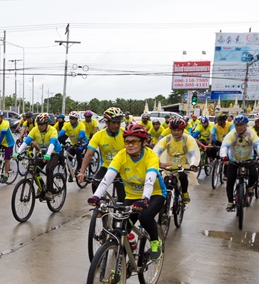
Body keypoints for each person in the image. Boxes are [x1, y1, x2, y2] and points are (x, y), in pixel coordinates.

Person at [87, 122, 166, 260]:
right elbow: (107, 178)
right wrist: (96, 196)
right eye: (127, 141)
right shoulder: (121, 155)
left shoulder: (151, 156)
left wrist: (145, 199)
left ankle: (155, 242)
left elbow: (149, 180)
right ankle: (128, 251)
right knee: (120, 228)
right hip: (131, 196)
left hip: (154, 194)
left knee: (144, 216)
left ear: (144, 142)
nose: (129, 145)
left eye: (134, 141)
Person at [220, 114, 259, 212]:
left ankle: (250, 187)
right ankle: (230, 202)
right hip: (234, 160)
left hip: (248, 159)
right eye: (237, 125)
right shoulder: (232, 134)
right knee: (230, 181)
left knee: (254, 174)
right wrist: (224, 157)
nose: (239, 127)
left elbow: (258, 145)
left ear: (245, 125)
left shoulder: (251, 133)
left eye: (241, 125)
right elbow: (224, 146)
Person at [153, 116, 200, 203]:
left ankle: (185, 193)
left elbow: (192, 154)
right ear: (171, 130)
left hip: (183, 166)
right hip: (169, 167)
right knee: (165, 182)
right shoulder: (167, 139)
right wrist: (155, 161)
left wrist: (193, 164)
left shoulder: (187, 139)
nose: (176, 132)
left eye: (178, 130)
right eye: (174, 130)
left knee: (183, 176)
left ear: (183, 130)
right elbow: (157, 151)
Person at [78, 107, 125, 191]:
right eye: (114, 122)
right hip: (107, 166)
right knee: (95, 185)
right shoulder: (98, 135)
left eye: (118, 122)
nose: (117, 125)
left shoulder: (125, 133)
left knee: (122, 192)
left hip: (123, 167)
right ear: (107, 122)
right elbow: (89, 154)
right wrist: (82, 172)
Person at [19, 113, 63, 201]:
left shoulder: (53, 130)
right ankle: (41, 187)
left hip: (55, 152)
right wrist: (18, 152)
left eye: (42, 124)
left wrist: (48, 155)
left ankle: (50, 191)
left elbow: (52, 144)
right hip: (43, 152)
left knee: (49, 168)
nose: (40, 126)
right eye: (38, 124)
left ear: (47, 124)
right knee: (33, 168)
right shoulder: (35, 130)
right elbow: (26, 141)